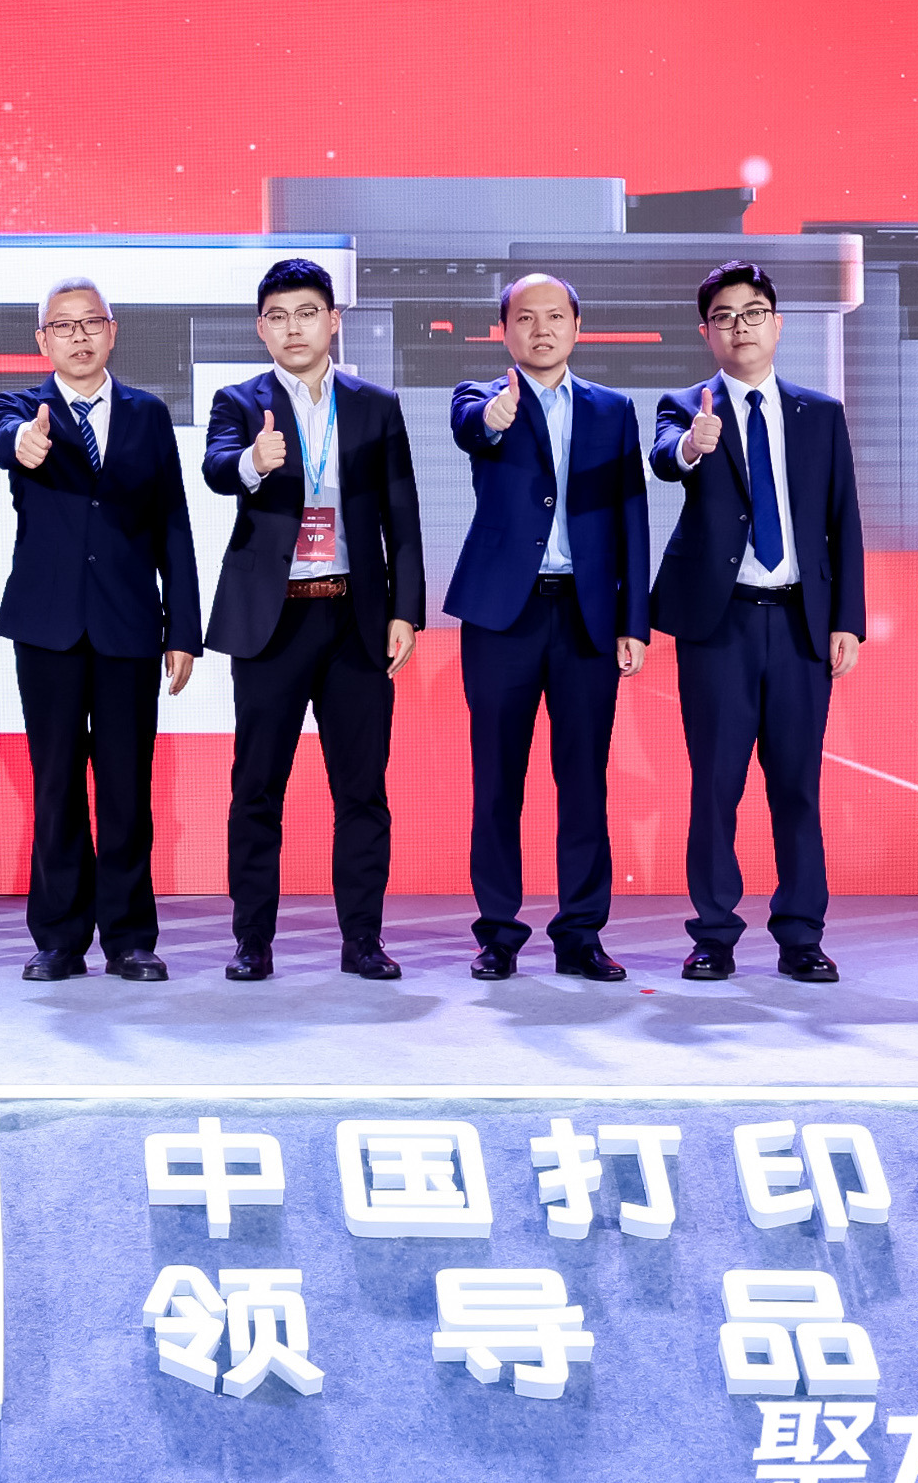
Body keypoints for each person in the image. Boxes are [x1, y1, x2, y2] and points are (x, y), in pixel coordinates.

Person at [646, 258, 868, 984]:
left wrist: (847, 619)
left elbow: (842, 520)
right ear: (705, 332)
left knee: (797, 787)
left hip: (800, 624)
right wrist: (693, 444)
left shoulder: (819, 413)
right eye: (723, 317)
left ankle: (801, 935)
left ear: (777, 324)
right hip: (720, 627)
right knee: (715, 787)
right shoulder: (685, 405)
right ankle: (713, 935)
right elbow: (664, 459)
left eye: (752, 313)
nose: (739, 327)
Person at [202, 256, 423, 981]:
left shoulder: (374, 404)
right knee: (256, 789)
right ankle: (251, 941)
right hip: (272, 623)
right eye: (277, 316)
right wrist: (252, 462)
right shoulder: (240, 401)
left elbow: (402, 516)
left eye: (306, 313)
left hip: (355, 618)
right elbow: (215, 467)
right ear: (260, 328)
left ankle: (363, 940)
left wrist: (406, 611)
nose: (292, 328)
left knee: (362, 790)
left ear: (333, 320)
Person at [0, 277, 201, 982]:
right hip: (46, 625)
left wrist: (183, 629)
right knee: (55, 785)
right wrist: (24, 442)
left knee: (125, 788)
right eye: (63, 325)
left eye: (91, 323)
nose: (78, 336)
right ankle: (58, 938)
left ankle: (130, 937)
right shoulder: (20, 407)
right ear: (42, 340)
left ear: (112, 332)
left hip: (129, 624)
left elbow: (172, 521)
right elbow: (9, 444)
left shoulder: (147, 413)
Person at [445, 273, 651, 982]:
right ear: (503, 330)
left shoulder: (612, 409)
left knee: (584, 780)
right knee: (496, 780)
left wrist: (633, 620)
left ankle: (580, 933)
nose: (541, 329)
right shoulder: (478, 396)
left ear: (577, 325)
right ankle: (498, 934)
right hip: (503, 616)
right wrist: (496, 415)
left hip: (587, 617)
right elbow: (473, 428)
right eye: (525, 318)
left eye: (555, 316)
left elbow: (631, 515)